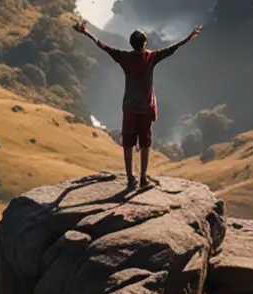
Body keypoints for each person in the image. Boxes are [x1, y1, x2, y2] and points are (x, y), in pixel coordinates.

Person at [72, 17, 202, 190]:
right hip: (146, 108)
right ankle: (142, 178)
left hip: (130, 109)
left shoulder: (124, 58)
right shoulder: (151, 57)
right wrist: (189, 36)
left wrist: (86, 32)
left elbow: (102, 46)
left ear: (131, 43)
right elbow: (173, 49)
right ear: (145, 43)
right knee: (145, 143)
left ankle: (130, 179)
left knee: (128, 144)